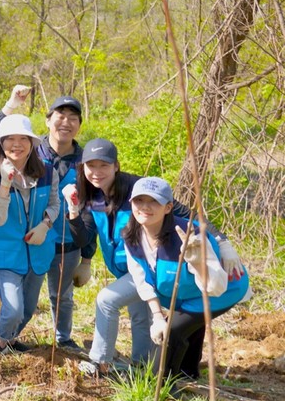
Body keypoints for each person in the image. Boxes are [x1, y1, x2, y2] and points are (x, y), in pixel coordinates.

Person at [66, 139, 242, 375]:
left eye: (103, 166)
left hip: (147, 265)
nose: (96, 173)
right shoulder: (90, 195)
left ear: (116, 166)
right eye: (91, 166)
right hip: (127, 266)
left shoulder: (139, 191)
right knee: (140, 315)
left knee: (107, 299)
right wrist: (74, 211)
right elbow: (83, 238)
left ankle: (99, 362)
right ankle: (143, 366)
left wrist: (222, 240)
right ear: (83, 167)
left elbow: (187, 215)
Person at [0, 87, 96, 351]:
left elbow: (93, 207)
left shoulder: (86, 161)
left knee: (59, 297)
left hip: (62, 242)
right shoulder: (32, 152)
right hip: (16, 243)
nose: (65, 122)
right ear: (47, 120)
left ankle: (61, 340)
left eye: (73, 117)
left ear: (79, 125)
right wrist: (10, 104)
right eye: (59, 115)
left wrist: (87, 257)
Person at [122, 177, 249, 380]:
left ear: (168, 207)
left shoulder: (190, 236)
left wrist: (198, 262)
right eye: (139, 201)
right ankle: (187, 374)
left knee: (171, 332)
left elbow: (216, 287)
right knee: (184, 324)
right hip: (186, 293)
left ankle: (162, 383)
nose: (145, 207)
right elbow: (142, 279)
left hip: (222, 291)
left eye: (154, 201)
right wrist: (156, 316)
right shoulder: (132, 236)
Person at [0, 114, 59, 353]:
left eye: (23, 138)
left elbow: (55, 205)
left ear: (32, 142)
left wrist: (45, 224)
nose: (16, 144)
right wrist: (5, 182)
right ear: (0, 144)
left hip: (38, 249)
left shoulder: (47, 172)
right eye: (9, 139)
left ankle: (6, 337)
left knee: (28, 308)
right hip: (7, 252)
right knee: (13, 309)